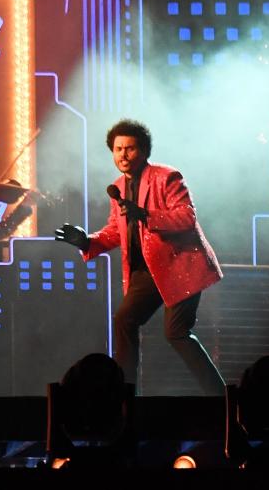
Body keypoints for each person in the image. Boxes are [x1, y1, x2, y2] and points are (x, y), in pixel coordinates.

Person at [54, 120, 226, 395]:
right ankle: (125, 398)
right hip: (147, 273)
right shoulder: (118, 187)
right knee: (124, 320)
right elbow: (115, 230)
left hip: (181, 266)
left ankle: (221, 398)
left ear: (144, 151)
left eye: (130, 148)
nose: (122, 155)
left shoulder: (167, 177)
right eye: (118, 149)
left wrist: (146, 215)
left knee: (176, 332)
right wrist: (87, 241)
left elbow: (186, 217)